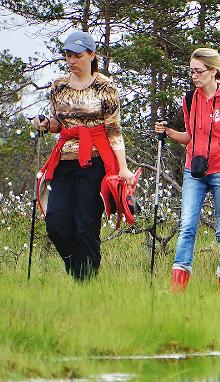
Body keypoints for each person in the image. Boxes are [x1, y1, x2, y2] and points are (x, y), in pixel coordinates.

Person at [32, 31, 136, 280]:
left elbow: (113, 128)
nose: (71, 60)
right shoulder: (59, 85)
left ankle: (86, 283)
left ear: (91, 55)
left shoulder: (105, 87)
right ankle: (78, 272)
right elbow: (60, 123)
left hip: (96, 162)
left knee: (85, 225)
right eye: (68, 55)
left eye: (77, 55)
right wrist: (46, 124)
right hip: (65, 160)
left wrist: (122, 168)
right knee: (56, 223)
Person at [154, 47, 220, 291]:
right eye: (191, 71)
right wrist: (169, 133)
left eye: (198, 71)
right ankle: (177, 288)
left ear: (213, 71)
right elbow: (190, 137)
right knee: (187, 225)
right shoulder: (189, 99)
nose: (194, 76)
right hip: (193, 170)